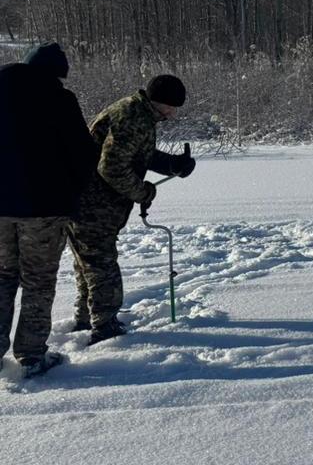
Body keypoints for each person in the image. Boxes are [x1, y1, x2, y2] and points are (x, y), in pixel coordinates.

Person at [68, 74, 196, 344]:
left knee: (88, 265)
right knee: (101, 267)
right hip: (93, 206)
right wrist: (144, 192)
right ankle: (105, 328)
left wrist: (173, 164)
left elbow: (137, 154)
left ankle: (85, 320)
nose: (172, 114)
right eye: (171, 108)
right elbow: (111, 168)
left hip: (89, 203)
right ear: (159, 102)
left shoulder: (138, 112)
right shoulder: (133, 117)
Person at [0, 43, 98, 377]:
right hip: (44, 209)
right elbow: (85, 155)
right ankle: (31, 356)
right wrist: (72, 192)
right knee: (37, 282)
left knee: (1, 277)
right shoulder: (60, 100)